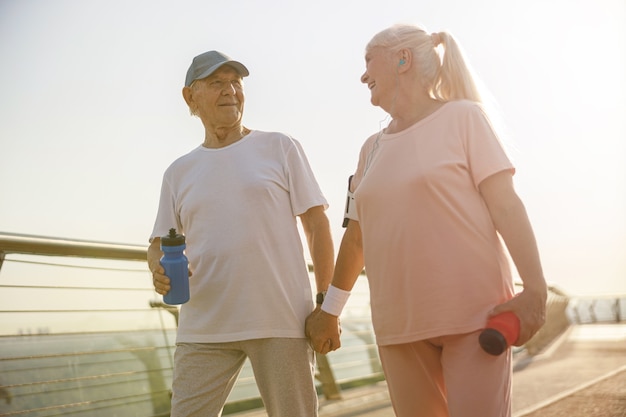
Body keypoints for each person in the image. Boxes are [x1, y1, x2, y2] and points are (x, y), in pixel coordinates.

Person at [306, 24, 547, 417]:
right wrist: (330, 310)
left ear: (403, 59)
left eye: (369, 61)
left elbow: (507, 206)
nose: (363, 75)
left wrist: (535, 291)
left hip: (474, 315)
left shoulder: (464, 118)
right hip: (397, 324)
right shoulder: (370, 150)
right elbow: (356, 238)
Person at [148, 50, 334, 417]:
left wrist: (326, 304)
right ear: (190, 96)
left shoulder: (279, 146)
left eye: (235, 82)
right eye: (217, 82)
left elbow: (316, 225)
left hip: (279, 318)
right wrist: (157, 269)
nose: (230, 90)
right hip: (203, 324)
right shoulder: (178, 172)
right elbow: (158, 244)